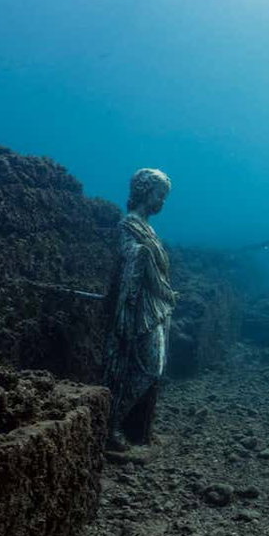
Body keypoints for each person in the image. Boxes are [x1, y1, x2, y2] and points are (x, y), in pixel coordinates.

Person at [103, 168, 175, 449]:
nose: (162, 202)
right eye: (160, 194)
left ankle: (137, 430)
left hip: (155, 304)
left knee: (152, 366)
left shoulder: (148, 228)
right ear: (145, 192)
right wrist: (142, 254)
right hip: (138, 308)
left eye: (165, 197)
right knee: (147, 367)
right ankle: (111, 426)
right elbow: (127, 260)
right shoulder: (127, 225)